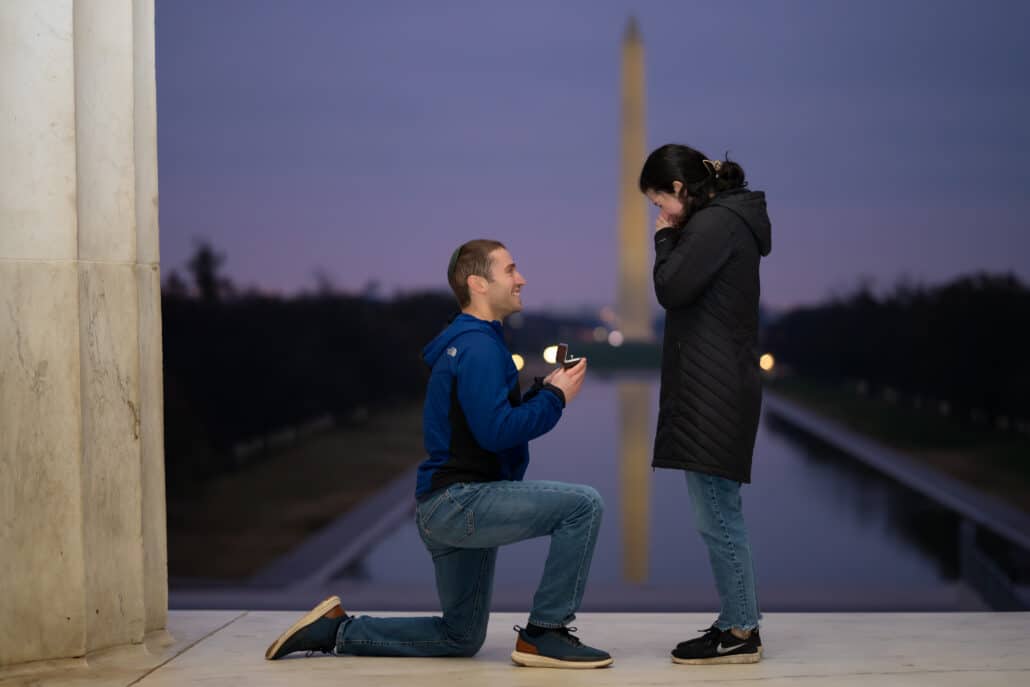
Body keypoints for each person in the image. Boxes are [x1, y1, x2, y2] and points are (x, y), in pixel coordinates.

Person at [264, 239, 612, 669]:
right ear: (477, 284)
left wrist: (542, 390)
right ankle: (546, 632)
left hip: (444, 505)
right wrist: (556, 399)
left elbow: (484, 422)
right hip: (462, 503)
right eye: (510, 270)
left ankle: (335, 630)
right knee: (583, 506)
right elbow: (496, 432)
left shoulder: (469, 343)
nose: (521, 279)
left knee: (460, 636)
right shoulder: (479, 346)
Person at [639, 144, 772, 664]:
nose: (659, 214)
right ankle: (736, 618)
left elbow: (670, 288)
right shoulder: (727, 220)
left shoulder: (714, 224)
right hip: (716, 383)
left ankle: (741, 633)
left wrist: (666, 239)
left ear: (678, 189)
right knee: (717, 513)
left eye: (659, 202)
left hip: (713, 389)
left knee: (718, 516)